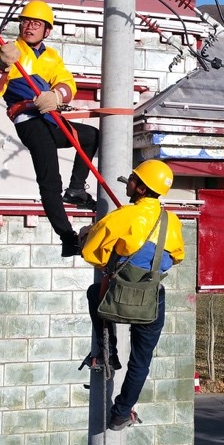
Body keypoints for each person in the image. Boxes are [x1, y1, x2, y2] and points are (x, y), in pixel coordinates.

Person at [0, 0, 99, 258]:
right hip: (28, 121)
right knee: (50, 179)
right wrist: (3, 66)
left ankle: (77, 188)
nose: (29, 26)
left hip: (49, 118)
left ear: (47, 30)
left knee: (89, 136)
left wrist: (57, 95)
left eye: (36, 23)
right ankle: (67, 237)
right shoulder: (6, 50)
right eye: (26, 21)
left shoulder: (52, 56)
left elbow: (68, 83)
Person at [80, 159, 185, 431]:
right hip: (150, 301)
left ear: (140, 189)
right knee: (141, 360)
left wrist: (112, 261)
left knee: (95, 294)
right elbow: (177, 257)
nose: (128, 182)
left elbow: (91, 253)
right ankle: (121, 413)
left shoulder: (121, 217)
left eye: (132, 179)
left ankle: (108, 353)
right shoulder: (171, 221)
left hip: (117, 296)